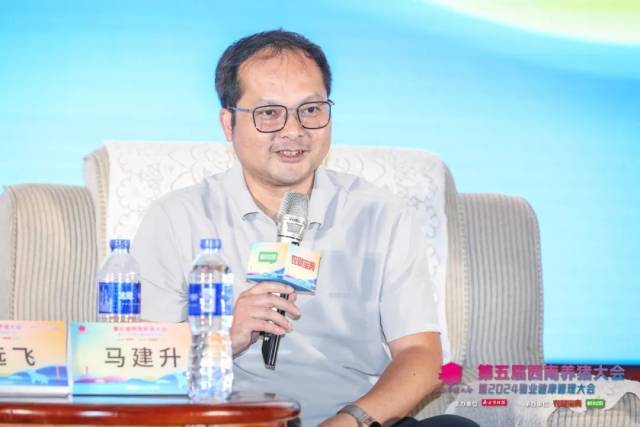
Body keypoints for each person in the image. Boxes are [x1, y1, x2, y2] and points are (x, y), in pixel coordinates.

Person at [133, 30, 478, 427]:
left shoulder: (381, 214)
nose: (293, 130)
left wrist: (348, 421)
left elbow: (421, 354)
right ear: (228, 123)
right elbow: (138, 363)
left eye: (311, 109)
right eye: (269, 113)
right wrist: (224, 336)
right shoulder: (176, 218)